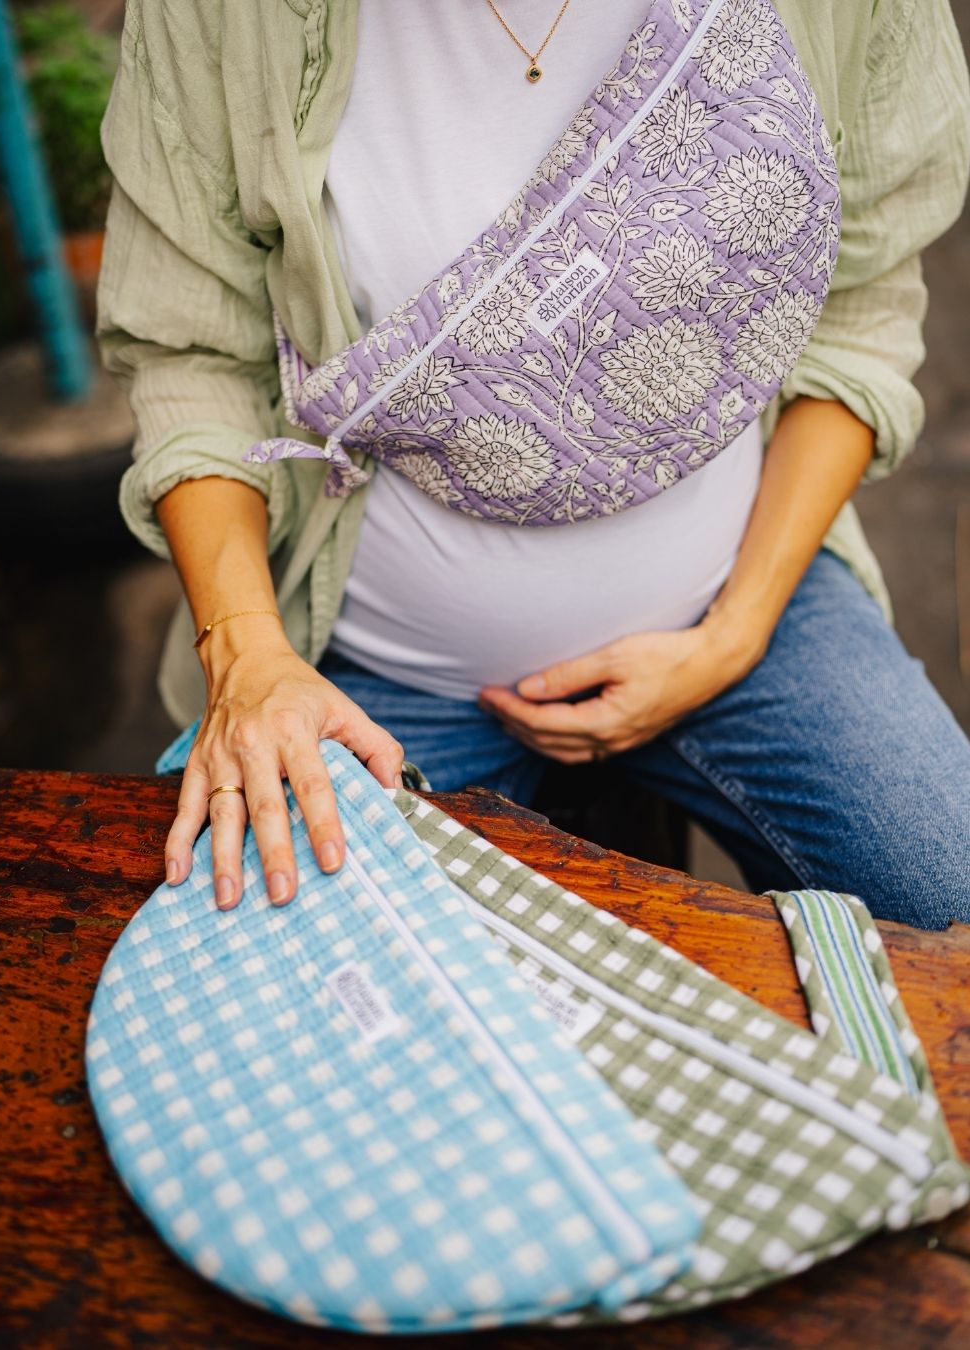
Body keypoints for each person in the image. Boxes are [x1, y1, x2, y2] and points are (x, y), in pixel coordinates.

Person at [96, 0, 970, 929]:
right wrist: (248, 656)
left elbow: (861, 308)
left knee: (949, 893)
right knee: (233, 944)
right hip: (377, 679)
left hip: (747, 609)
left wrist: (735, 634)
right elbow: (191, 356)